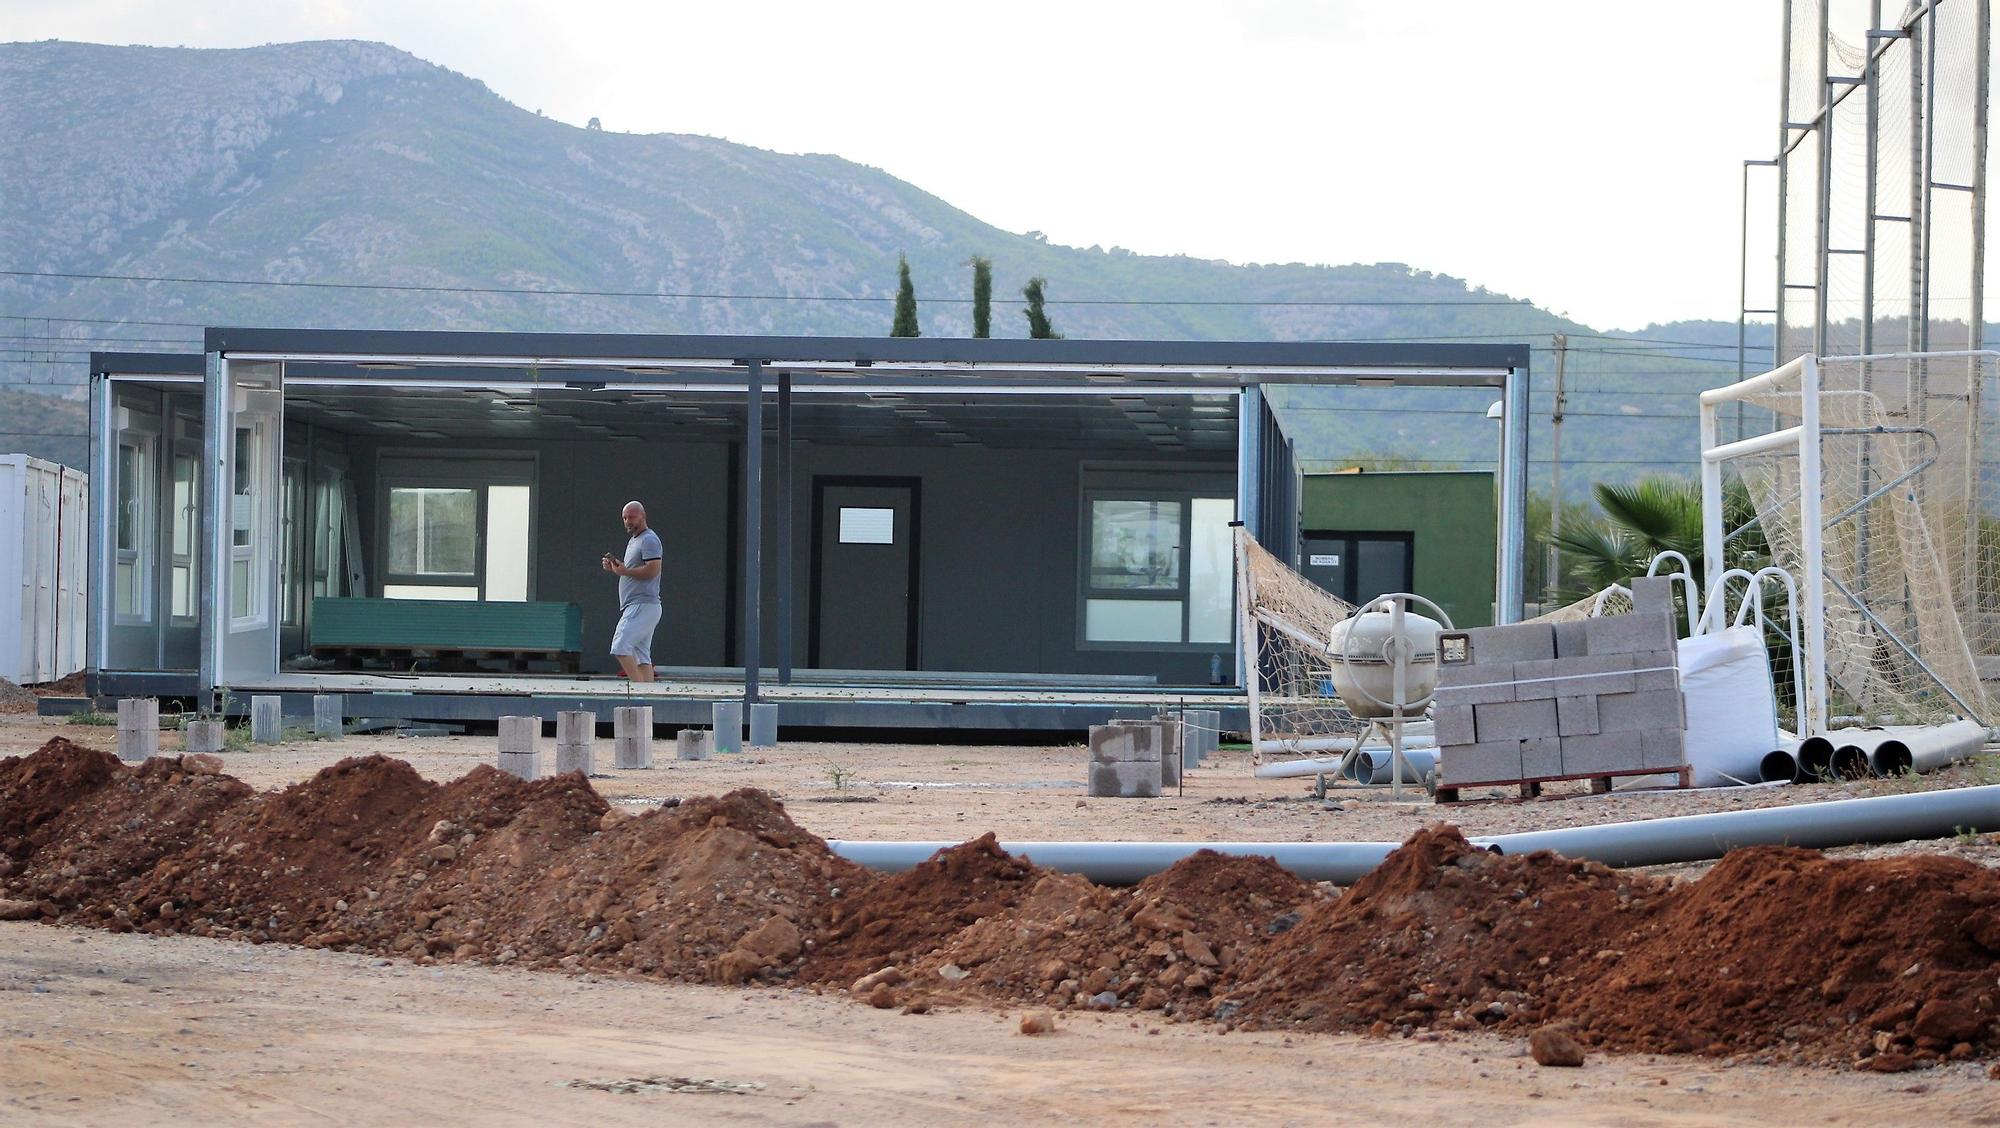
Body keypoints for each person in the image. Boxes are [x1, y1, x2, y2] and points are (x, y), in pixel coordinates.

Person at [601, 501, 663, 683]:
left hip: (642, 604)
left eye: (632, 517)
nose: (628, 521)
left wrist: (625, 571)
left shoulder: (649, 539)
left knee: (620, 646)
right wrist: (617, 568)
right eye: (625, 518)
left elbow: (653, 569)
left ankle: (637, 690)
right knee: (642, 655)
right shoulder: (634, 541)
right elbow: (633, 569)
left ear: (643, 516)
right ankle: (649, 698)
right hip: (641, 605)